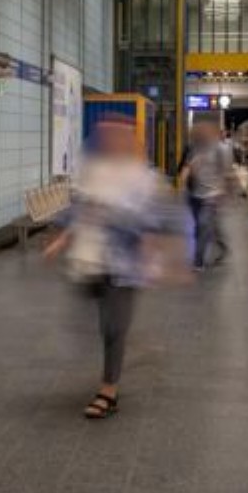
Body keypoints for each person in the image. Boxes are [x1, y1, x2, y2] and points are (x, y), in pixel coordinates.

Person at [45, 117, 178, 419]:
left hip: (124, 265)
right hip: (89, 260)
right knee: (92, 321)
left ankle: (108, 391)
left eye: (117, 136)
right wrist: (61, 238)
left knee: (113, 327)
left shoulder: (144, 178)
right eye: (106, 136)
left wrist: (115, 216)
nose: (110, 142)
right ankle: (130, 344)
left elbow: (154, 220)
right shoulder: (94, 170)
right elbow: (78, 208)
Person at [178, 123, 233, 270]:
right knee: (201, 227)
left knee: (203, 226)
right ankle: (221, 245)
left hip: (212, 195)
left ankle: (198, 262)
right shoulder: (193, 148)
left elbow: (226, 172)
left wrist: (224, 192)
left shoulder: (219, 149)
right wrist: (183, 180)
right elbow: (186, 167)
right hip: (195, 194)